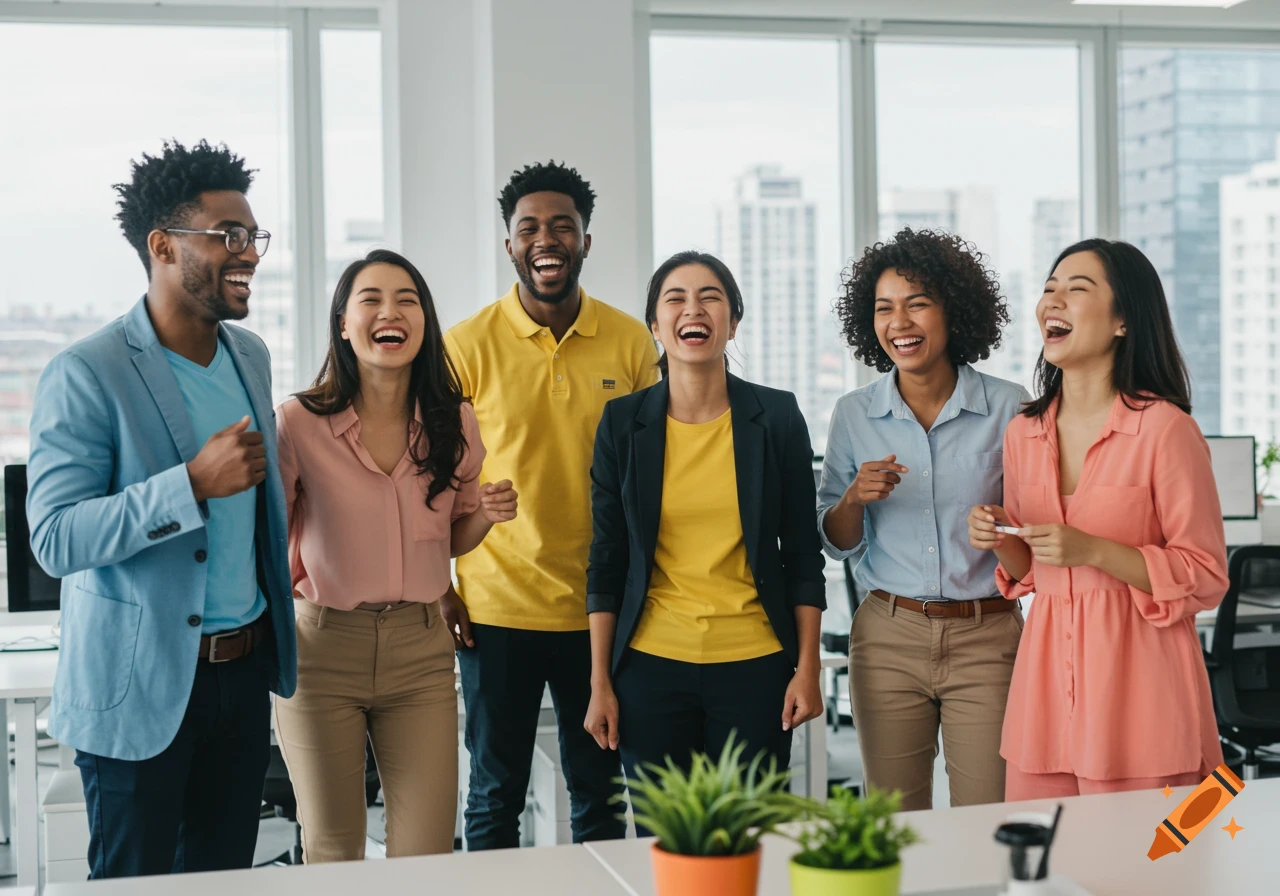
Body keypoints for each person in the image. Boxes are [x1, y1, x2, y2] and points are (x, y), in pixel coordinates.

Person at [24, 140, 297, 878]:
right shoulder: (86, 372)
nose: (248, 253)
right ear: (163, 246)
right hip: (136, 689)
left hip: (239, 682)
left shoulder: (251, 355)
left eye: (252, 236)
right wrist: (190, 484)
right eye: (227, 236)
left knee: (221, 880)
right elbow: (53, 537)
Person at [443, 161, 660, 849]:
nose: (547, 239)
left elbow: (660, 471)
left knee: (599, 794)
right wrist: (438, 584)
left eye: (562, 226)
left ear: (586, 242)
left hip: (600, 609)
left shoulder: (629, 341)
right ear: (509, 244)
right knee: (494, 795)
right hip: (494, 610)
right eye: (529, 227)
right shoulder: (465, 344)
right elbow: (432, 479)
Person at [273, 250, 517, 861]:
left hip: (420, 651)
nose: (392, 311)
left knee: (426, 849)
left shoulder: (455, 421)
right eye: (372, 299)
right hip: (321, 650)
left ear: (425, 322)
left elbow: (450, 539)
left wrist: (483, 515)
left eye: (408, 299)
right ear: (343, 324)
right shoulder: (297, 423)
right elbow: (266, 542)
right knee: (333, 846)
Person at [968, 238, 1228, 800]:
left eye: (1076, 289)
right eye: (1048, 289)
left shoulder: (1166, 430)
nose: (1052, 301)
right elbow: (1034, 572)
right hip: (1044, 696)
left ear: (1123, 321)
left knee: (1156, 873)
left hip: (1144, 692)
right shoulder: (1023, 433)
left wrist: (1094, 550)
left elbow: (1206, 574)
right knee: (1044, 870)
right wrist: (999, 536)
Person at [584, 251, 826, 797]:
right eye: (675, 298)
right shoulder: (622, 424)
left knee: (747, 840)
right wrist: (600, 682)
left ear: (733, 321)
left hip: (757, 665)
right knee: (666, 846)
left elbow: (803, 556)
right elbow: (606, 559)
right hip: (649, 668)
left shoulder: (777, 416)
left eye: (710, 297)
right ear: (655, 325)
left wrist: (807, 669)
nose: (692, 308)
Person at [818, 227, 1029, 810]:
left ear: (952, 311)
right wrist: (854, 498)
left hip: (988, 636)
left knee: (989, 815)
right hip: (889, 634)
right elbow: (835, 542)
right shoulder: (854, 413)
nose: (899, 322)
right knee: (894, 824)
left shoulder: (1011, 408)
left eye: (917, 303)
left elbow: (1034, 541)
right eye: (884, 308)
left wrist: (1005, 526)